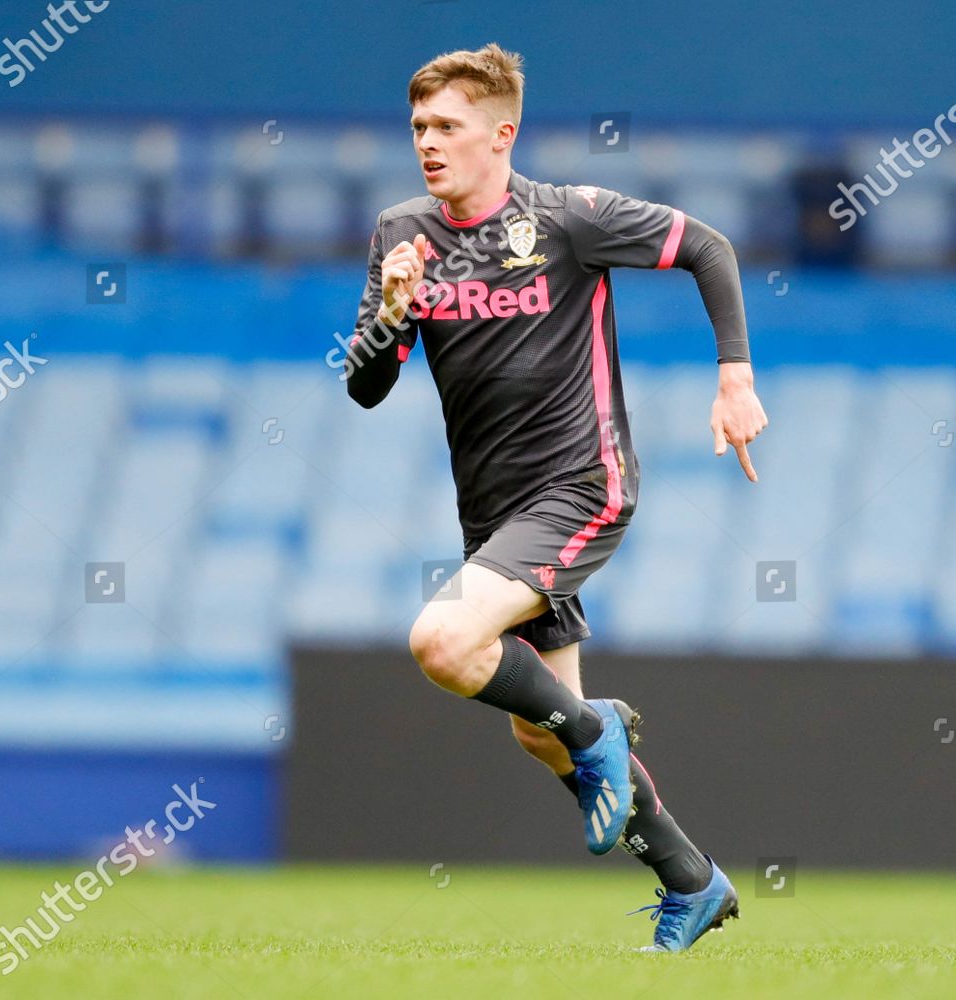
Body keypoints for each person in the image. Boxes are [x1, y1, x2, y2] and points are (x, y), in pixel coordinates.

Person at [344, 43, 768, 951]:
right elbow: (366, 388)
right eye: (418, 126)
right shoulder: (400, 235)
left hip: (583, 486)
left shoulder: (569, 218)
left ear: (502, 134)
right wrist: (389, 310)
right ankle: (693, 881)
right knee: (539, 737)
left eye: (447, 126)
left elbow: (707, 246)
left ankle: (594, 726)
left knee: (443, 640)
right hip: (494, 515)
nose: (427, 142)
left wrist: (734, 375)